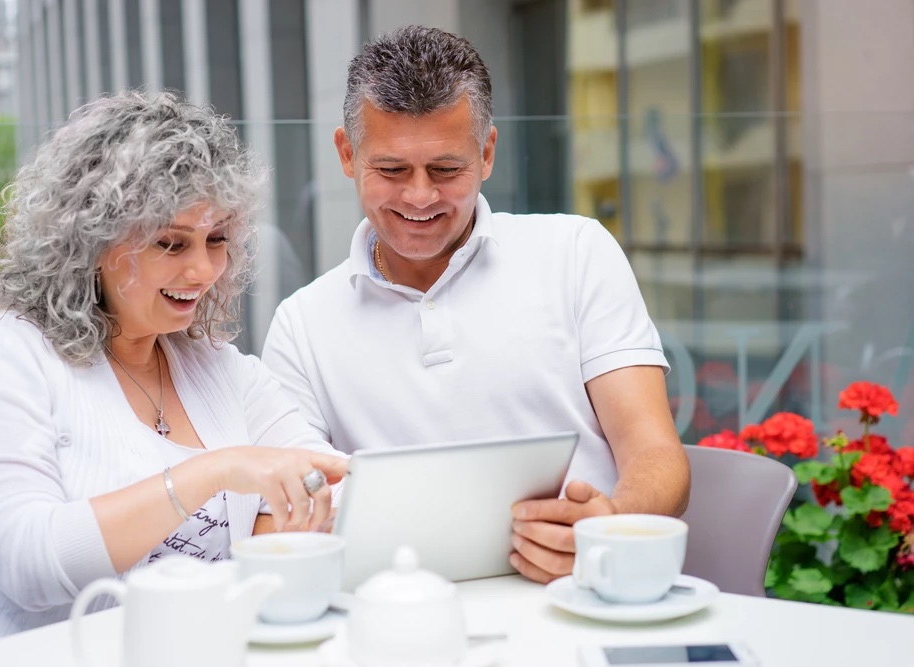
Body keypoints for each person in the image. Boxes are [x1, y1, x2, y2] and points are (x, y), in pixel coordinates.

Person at [0, 91, 347, 656]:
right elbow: (28, 564)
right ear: (92, 241)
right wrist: (216, 471)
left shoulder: (222, 370)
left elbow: (328, 485)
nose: (202, 269)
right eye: (171, 242)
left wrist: (281, 517)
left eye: (217, 239)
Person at [262, 25, 690, 585]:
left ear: (487, 153)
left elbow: (657, 455)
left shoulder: (576, 252)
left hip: (579, 592)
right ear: (347, 154)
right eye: (391, 170)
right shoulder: (301, 325)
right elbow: (287, 512)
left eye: (446, 169)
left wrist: (608, 529)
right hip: (398, 610)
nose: (420, 196)